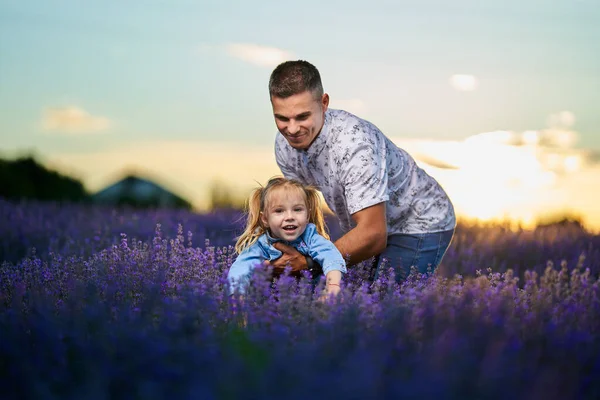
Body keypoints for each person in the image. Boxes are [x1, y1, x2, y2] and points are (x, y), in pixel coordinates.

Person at [266, 60, 456, 283]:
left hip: (419, 219)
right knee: (340, 293)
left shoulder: (355, 145)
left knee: (384, 304)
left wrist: (309, 262)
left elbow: (373, 235)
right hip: (367, 224)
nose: (292, 129)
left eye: (302, 117)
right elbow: (298, 215)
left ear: (324, 103)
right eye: (282, 118)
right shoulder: (283, 145)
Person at [227, 176, 347, 296]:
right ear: (265, 219)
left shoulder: (310, 237)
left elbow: (331, 257)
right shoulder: (261, 244)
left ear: (307, 216)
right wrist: (237, 298)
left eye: (297, 209)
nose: (290, 217)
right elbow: (240, 270)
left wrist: (333, 287)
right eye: (279, 211)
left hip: (310, 300)